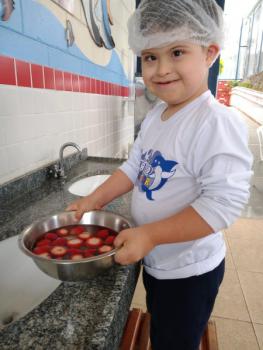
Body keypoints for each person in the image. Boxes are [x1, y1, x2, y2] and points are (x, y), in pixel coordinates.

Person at [67, 0, 253, 348]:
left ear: (209, 52)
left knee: (175, 340)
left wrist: (151, 234)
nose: (161, 69)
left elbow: (223, 205)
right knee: (163, 328)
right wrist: (94, 199)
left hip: (190, 272)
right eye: (150, 57)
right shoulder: (156, 116)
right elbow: (134, 167)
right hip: (159, 262)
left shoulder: (215, 122)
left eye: (177, 51)